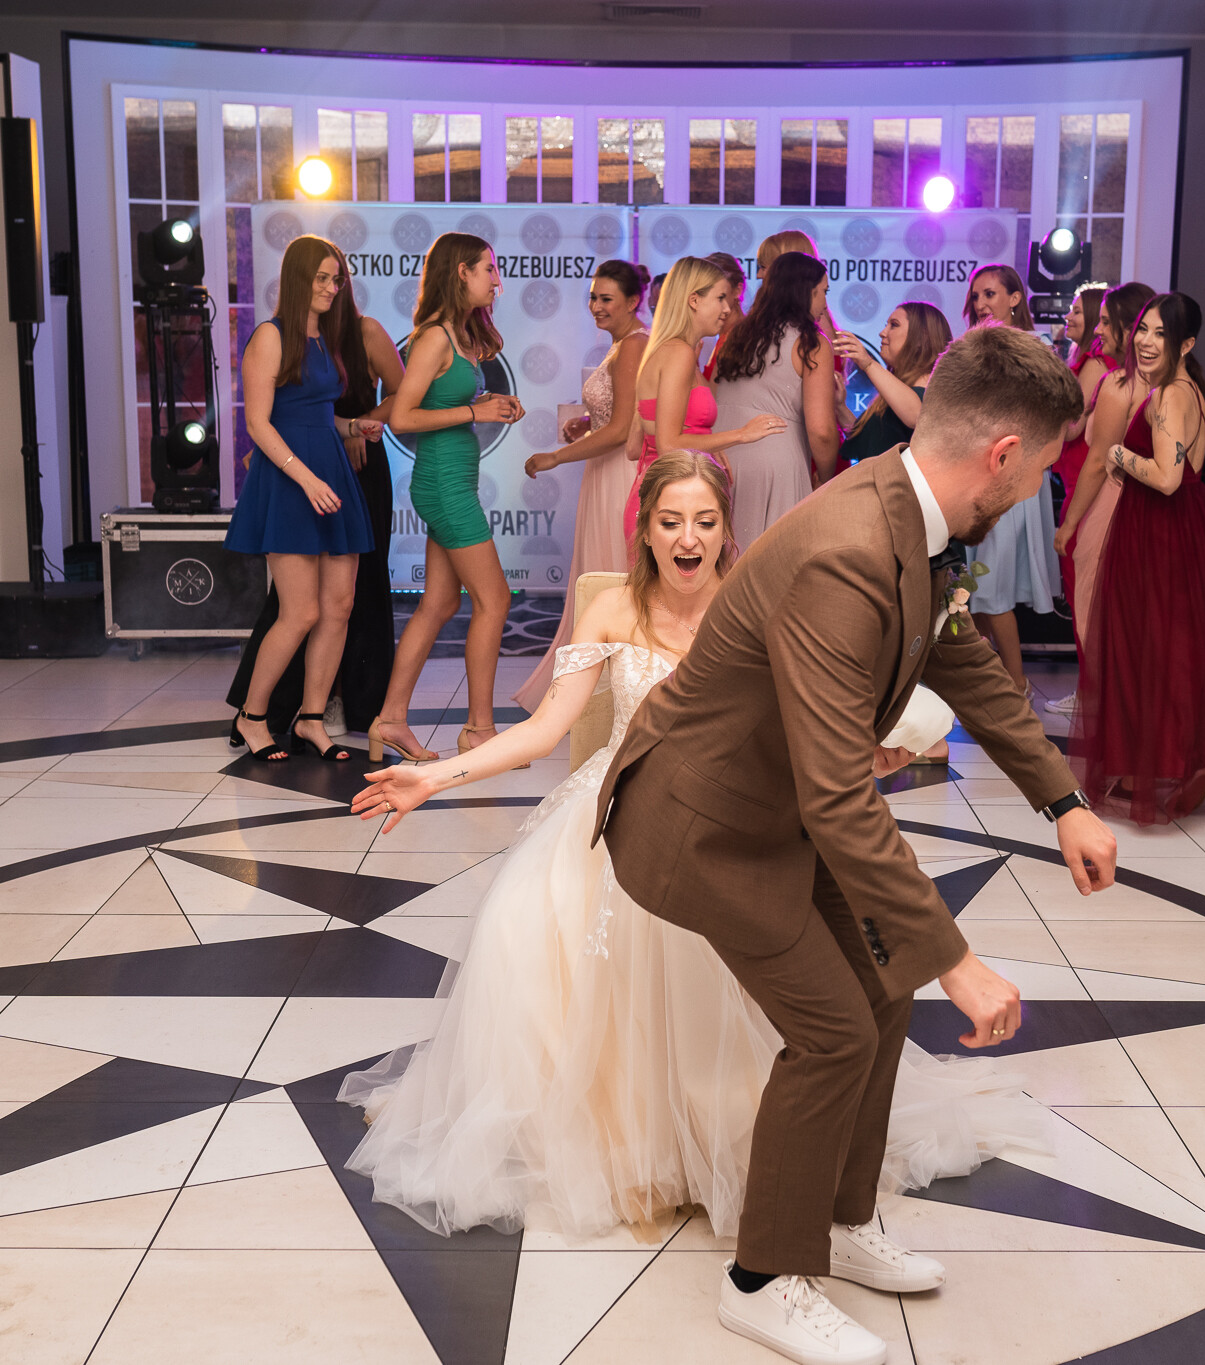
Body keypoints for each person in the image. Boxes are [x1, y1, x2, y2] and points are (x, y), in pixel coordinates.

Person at [341, 451, 1048, 1249]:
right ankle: (629, 1138)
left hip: (728, 823)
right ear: (644, 530)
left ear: (726, 530)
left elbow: (812, 726)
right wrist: (436, 777)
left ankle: (750, 1142)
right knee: (536, 928)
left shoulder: (760, 597)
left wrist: (884, 742)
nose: (689, 538)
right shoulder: (612, 609)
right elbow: (544, 730)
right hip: (623, 812)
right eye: (671, 521)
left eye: (705, 522)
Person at [597, 326, 1118, 1365]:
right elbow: (840, 796)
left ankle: (836, 1218)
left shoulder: (911, 508)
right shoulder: (847, 551)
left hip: (771, 806)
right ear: (1001, 456)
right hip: (701, 824)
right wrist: (959, 961)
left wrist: (1061, 800)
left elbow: (958, 660)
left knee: (881, 990)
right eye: (1043, 473)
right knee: (835, 1029)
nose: (1038, 493)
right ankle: (760, 1281)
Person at [1071, 292, 1205, 826]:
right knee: (1172, 648)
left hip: (1159, 528)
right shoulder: (1188, 389)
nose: (1146, 342)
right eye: (1143, 330)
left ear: (1186, 344)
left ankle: (1155, 767)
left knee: (1146, 648)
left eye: (1161, 334)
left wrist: (1116, 454)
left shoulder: (1169, 395)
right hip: (1177, 527)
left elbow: (1168, 478)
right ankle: (1174, 761)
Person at [224, 266, 405, 739]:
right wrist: (305, 479)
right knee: (300, 612)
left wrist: (354, 426)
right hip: (292, 480)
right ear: (297, 279)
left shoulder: (325, 339)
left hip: (331, 471)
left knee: (339, 607)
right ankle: (252, 717)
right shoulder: (270, 335)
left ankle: (311, 720)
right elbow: (259, 424)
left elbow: (320, 417)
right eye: (322, 278)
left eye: (336, 280)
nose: (331, 287)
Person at [366, 232, 525, 763]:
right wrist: (476, 411)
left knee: (439, 603)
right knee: (494, 600)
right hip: (444, 485)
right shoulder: (434, 336)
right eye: (489, 269)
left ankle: (390, 721)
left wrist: (490, 401)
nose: (496, 280)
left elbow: (440, 402)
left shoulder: (457, 333)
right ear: (462, 272)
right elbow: (403, 417)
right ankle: (479, 730)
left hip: (452, 481)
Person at [513, 260, 650, 709]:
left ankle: (614, 698)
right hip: (602, 473)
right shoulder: (619, 346)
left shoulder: (634, 345)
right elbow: (616, 415)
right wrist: (587, 423)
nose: (595, 306)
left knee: (613, 579)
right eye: (593, 297)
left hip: (620, 473)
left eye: (606, 298)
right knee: (600, 577)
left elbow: (622, 429)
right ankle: (594, 700)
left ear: (633, 301)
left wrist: (555, 456)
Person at [960, 263, 1064, 704]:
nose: (981, 303)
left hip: (1014, 478)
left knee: (990, 588)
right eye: (976, 296)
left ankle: (1015, 687)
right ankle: (992, 684)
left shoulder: (1037, 349)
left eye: (990, 294)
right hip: (979, 477)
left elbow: (1052, 418)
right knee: (975, 589)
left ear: (1015, 298)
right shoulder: (974, 350)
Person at [1051, 282, 1156, 718]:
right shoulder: (1172, 384)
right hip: (1147, 506)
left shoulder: (1115, 380)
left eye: (1106, 322)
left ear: (1130, 329)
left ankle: (1101, 697)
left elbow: (1095, 457)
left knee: (1094, 607)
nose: (1098, 329)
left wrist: (1069, 525)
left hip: (1106, 501)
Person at [624, 255, 783, 543]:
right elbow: (668, 444)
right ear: (694, 300)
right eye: (720, 298)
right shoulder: (679, 353)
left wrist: (706, 444)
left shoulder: (672, 351)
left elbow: (635, 447)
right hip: (673, 502)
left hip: (666, 497)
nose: (728, 308)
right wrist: (741, 434)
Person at [712, 251, 841, 549]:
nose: (825, 303)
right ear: (805, 292)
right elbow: (821, 430)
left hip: (723, 459)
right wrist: (825, 478)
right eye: (823, 292)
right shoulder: (811, 343)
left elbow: (714, 395)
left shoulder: (736, 335)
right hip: (777, 464)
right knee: (774, 562)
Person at [832, 302, 951, 470]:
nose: (882, 333)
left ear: (921, 338)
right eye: (886, 325)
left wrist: (868, 363)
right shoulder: (898, 390)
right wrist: (840, 407)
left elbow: (915, 416)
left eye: (894, 325)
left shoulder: (930, 388)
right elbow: (869, 439)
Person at [701, 250, 746, 380]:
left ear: (737, 291)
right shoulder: (726, 334)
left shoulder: (736, 338)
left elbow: (715, 391)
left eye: (718, 293)